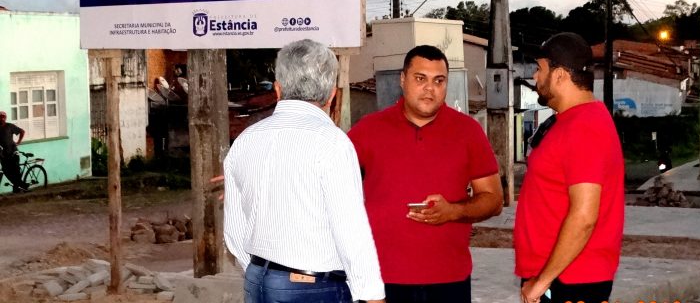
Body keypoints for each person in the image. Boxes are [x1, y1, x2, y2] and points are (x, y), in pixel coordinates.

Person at [223, 39, 385, 303]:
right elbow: (350, 229)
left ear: (278, 89)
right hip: (312, 287)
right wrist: (372, 295)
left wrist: (264, 272)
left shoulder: (245, 140)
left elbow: (234, 228)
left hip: (258, 279)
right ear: (332, 94)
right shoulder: (332, 142)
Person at [348, 44, 503, 303]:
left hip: (449, 280)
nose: (430, 88)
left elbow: (494, 200)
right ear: (402, 79)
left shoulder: (468, 132)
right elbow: (335, 188)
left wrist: (453, 211)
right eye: (420, 78)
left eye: (438, 81)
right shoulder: (368, 130)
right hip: (381, 280)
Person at [514, 32, 625, 303]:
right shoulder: (571, 121)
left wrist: (543, 282)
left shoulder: (584, 127)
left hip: (570, 281)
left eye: (540, 69)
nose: (534, 77)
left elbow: (584, 216)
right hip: (560, 276)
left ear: (560, 75)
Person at [0, 110, 28, 193]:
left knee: (16, 171)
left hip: (13, 152)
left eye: (3, 117)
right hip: (4, 154)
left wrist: (18, 142)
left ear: (5, 118)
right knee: (6, 171)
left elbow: (22, 131)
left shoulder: (9, 126)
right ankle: (22, 185)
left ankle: (17, 188)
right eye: (0, 117)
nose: (2, 119)